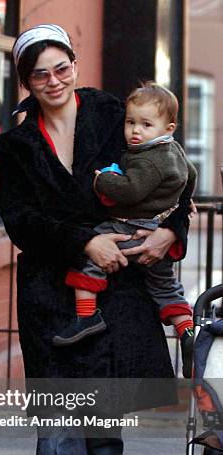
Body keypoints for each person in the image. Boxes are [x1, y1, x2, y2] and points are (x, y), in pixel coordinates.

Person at [0, 24, 192, 455]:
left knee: (105, 436)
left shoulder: (116, 115)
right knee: (58, 431)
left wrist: (169, 235)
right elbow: (21, 220)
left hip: (122, 299)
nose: (54, 80)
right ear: (26, 81)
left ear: (75, 66)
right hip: (53, 299)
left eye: (63, 67)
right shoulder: (18, 143)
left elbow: (172, 177)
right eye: (40, 72)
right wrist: (85, 241)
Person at [52, 82, 196, 377]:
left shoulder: (149, 160)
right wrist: (181, 199)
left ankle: (86, 316)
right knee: (164, 286)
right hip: (154, 229)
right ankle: (186, 331)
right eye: (130, 122)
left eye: (145, 124)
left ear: (168, 128)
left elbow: (131, 190)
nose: (135, 131)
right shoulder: (173, 150)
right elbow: (191, 174)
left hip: (129, 228)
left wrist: (101, 180)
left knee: (90, 261)